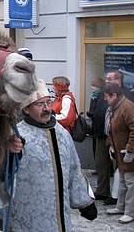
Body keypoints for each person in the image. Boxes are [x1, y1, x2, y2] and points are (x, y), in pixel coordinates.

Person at [11, 79, 97, 231]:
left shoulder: (62, 133)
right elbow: (2, 176)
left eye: (48, 103)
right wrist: (9, 154)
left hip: (60, 219)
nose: (46, 109)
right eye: (39, 104)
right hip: (28, 219)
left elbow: (74, 169)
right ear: (26, 109)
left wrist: (85, 202)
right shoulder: (17, 136)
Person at [103, 83, 134, 224]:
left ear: (114, 96)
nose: (105, 100)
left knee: (130, 183)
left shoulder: (127, 107)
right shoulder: (116, 107)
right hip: (120, 152)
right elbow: (112, 128)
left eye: (106, 97)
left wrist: (130, 149)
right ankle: (121, 207)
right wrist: (111, 146)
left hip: (127, 154)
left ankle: (130, 212)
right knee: (122, 181)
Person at [86, 77, 114, 204]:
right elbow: (94, 113)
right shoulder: (98, 97)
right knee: (101, 165)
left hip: (108, 135)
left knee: (109, 165)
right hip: (99, 134)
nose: (92, 88)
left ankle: (111, 194)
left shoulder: (109, 96)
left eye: (94, 86)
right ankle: (103, 191)